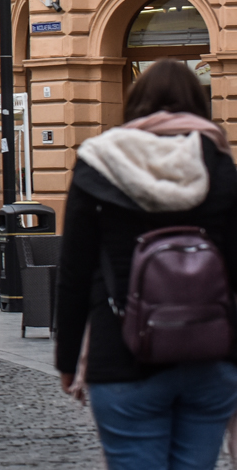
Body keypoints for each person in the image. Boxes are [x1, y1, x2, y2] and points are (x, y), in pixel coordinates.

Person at [56, 60, 237, 470]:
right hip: (212, 356)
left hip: (121, 355)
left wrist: (67, 360)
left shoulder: (98, 164)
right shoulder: (220, 163)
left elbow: (74, 273)